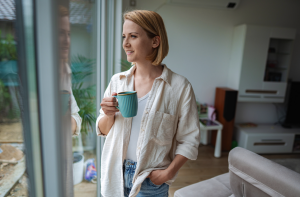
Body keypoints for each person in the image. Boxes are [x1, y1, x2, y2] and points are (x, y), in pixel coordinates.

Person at [96, 10, 200, 197]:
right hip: (114, 176)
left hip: (150, 182)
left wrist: (168, 173)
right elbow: (103, 130)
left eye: (133, 36)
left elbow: (190, 139)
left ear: (155, 41)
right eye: (124, 37)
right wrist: (108, 114)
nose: (125, 44)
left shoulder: (179, 87)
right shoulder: (117, 82)